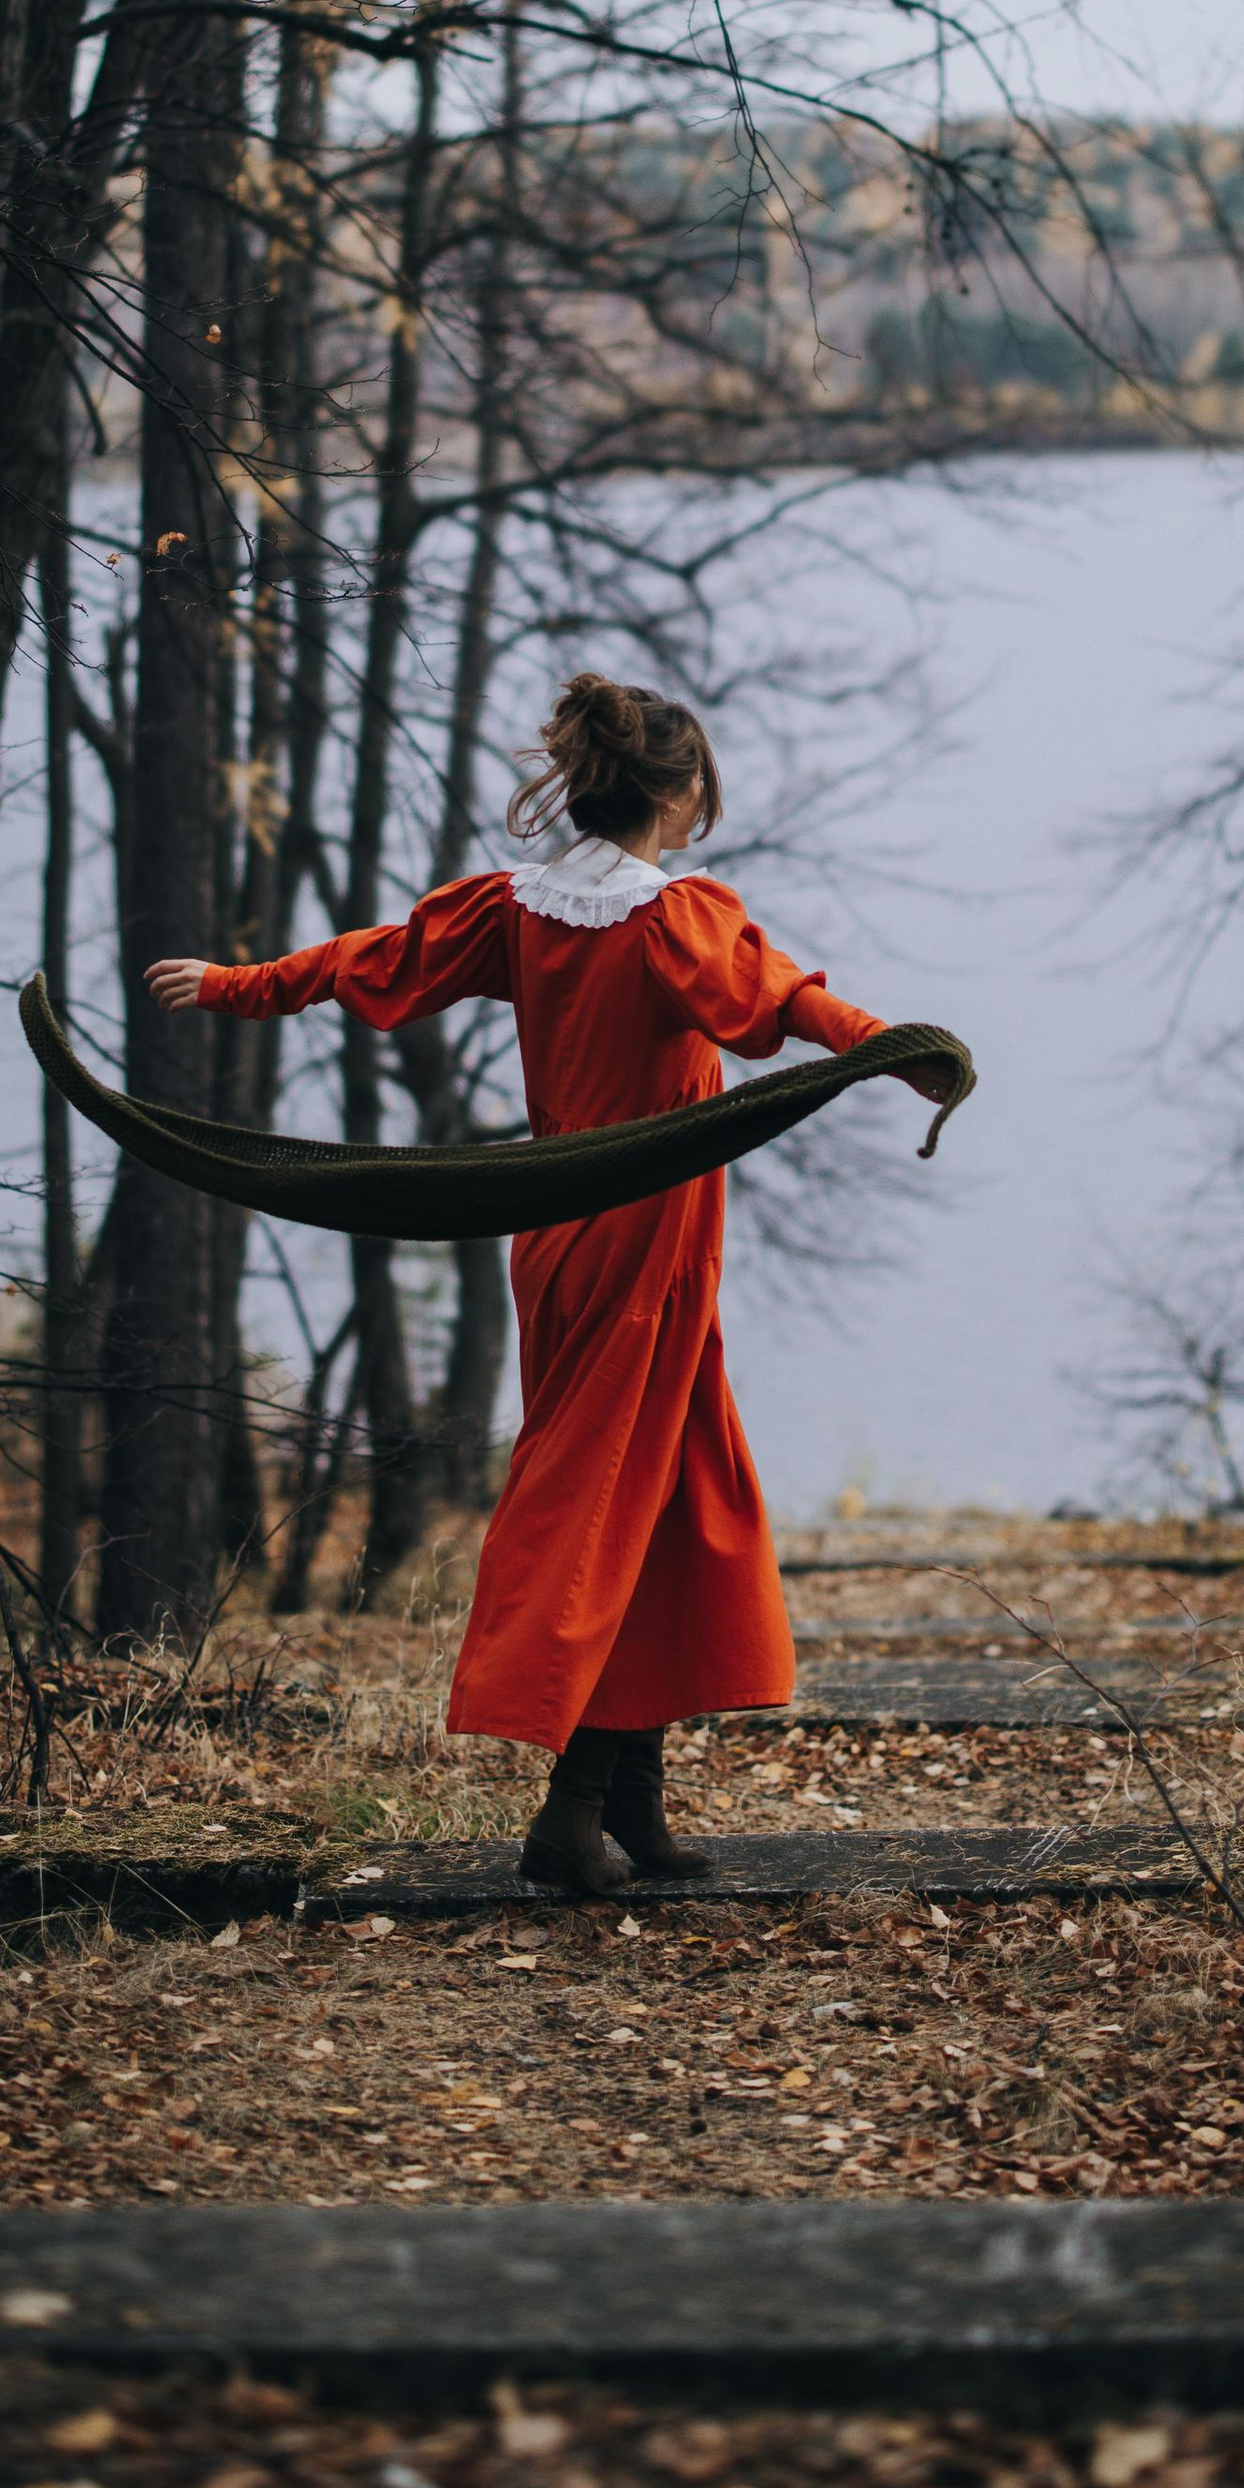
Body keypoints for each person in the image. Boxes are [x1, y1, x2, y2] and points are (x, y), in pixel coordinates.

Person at [145, 671, 952, 1897]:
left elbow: (379, 961)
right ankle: (571, 1811)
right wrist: (894, 1050)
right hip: (647, 1237)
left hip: (562, 1238)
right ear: (675, 793)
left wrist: (235, 984)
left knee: (667, 1496)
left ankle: (631, 1802)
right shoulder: (671, 916)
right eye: (699, 792)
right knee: (611, 1502)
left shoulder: (520, 907)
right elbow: (777, 1005)